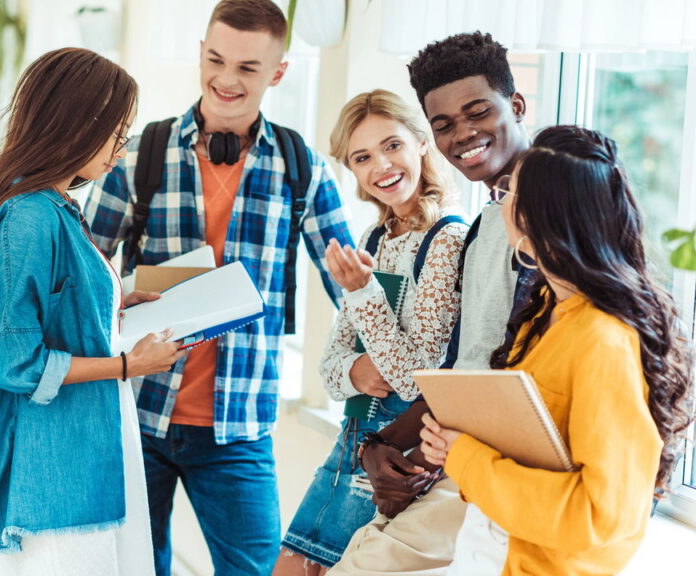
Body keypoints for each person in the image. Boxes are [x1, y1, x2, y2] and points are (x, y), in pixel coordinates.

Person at [84, 1, 355, 573]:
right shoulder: (140, 154)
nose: (227, 80)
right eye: (216, 60)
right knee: (129, 566)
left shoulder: (301, 166)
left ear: (278, 73)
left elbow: (348, 290)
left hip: (239, 427)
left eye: (249, 69)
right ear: (201, 54)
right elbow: (83, 269)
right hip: (138, 410)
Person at [0, 47, 186, 576]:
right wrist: (129, 365)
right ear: (76, 123)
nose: (120, 152)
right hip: (57, 469)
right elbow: (13, 360)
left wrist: (113, 308)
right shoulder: (31, 216)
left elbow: (56, 315)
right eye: (117, 135)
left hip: (85, 450)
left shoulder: (57, 209)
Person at [420, 124, 695, 575]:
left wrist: (465, 457)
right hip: (492, 548)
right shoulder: (547, 307)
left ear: (539, 218)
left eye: (512, 192)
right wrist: (455, 443)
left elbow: (601, 514)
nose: (502, 199)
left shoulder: (605, 341)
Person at [326, 32, 534, 576]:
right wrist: (382, 444)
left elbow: (427, 374)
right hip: (450, 453)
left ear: (516, 106)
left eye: (477, 112)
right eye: (445, 124)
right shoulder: (490, 222)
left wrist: (360, 294)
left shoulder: (497, 222)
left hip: (506, 472)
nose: (463, 134)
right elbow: (471, 368)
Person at [273, 90, 466, 576]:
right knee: (293, 567)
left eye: (392, 145)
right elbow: (331, 368)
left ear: (422, 143)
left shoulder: (448, 240)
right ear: (352, 171)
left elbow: (414, 379)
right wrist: (356, 371)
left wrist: (361, 294)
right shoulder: (373, 240)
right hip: (352, 436)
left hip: (395, 452)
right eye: (363, 157)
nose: (381, 165)